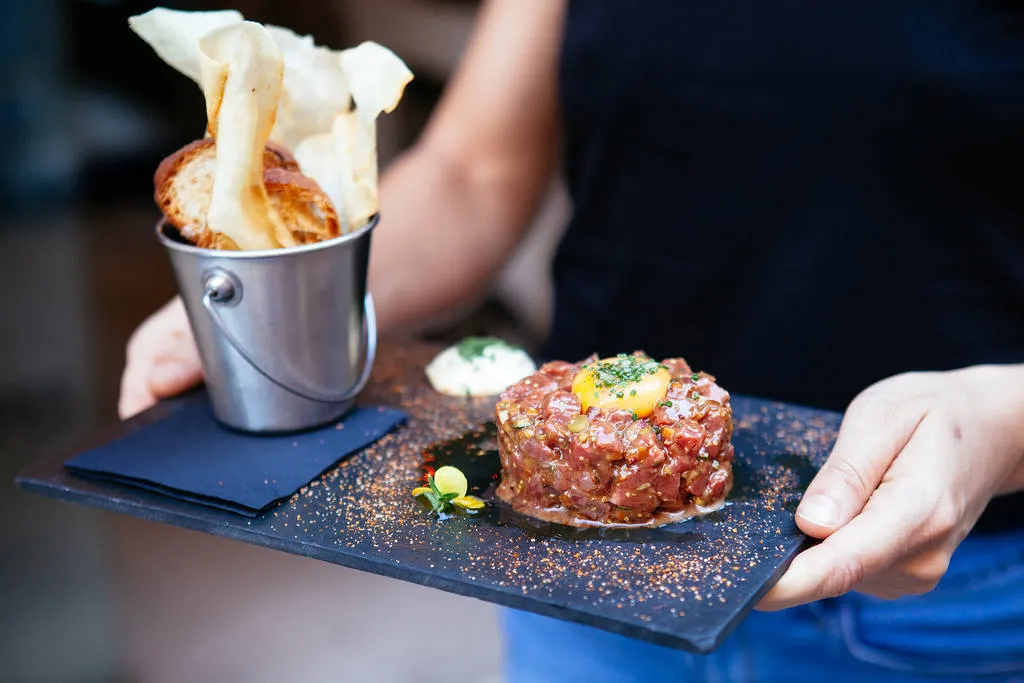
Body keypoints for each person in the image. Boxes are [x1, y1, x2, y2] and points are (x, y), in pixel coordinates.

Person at [120, 1, 1024, 680]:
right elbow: (475, 171)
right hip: (580, 578)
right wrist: (287, 304)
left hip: (946, 598)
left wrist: (1000, 421)